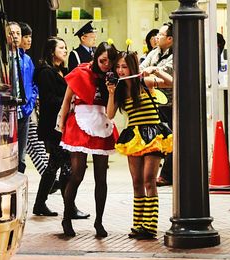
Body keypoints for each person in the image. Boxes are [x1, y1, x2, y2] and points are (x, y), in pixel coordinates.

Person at [106, 50, 173, 240]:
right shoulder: (118, 89)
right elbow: (110, 115)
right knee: (136, 183)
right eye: (118, 67)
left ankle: (150, 227)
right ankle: (138, 225)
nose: (120, 70)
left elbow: (172, 83)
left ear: (132, 67)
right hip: (133, 136)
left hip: (153, 134)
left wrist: (156, 70)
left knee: (148, 179)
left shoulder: (145, 82)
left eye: (124, 66)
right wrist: (111, 93)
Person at [58, 41, 118, 237]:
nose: (106, 65)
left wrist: (112, 89)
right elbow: (67, 100)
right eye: (102, 61)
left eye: (110, 62)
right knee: (77, 174)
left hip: (102, 122)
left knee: (101, 178)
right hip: (80, 122)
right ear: (95, 58)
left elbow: (112, 112)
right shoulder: (81, 72)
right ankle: (67, 217)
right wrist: (62, 124)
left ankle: (99, 222)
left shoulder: (114, 78)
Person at [32, 37, 89, 220]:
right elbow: (49, 100)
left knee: (54, 166)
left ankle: (40, 203)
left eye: (65, 48)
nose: (65, 51)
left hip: (59, 126)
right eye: (61, 48)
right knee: (65, 166)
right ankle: (69, 207)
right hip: (53, 126)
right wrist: (69, 102)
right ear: (51, 51)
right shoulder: (46, 72)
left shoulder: (59, 71)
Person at [140, 22, 174, 187]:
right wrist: (151, 70)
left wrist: (154, 70)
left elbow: (167, 75)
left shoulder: (176, 55)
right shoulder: (154, 52)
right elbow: (142, 68)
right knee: (156, 137)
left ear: (169, 39)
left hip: (171, 103)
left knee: (171, 137)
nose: (156, 37)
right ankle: (155, 172)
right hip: (154, 101)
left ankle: (167, 174)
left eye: (160, 35)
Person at [7, 21, 38, 174]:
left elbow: (33, 84)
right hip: (6, 111)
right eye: (11, 33)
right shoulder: (2, 59)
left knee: (22, 154)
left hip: (24, 111)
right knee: (6, 153)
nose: (15, 36)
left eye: (18, 33)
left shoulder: (26, 59)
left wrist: (30, 103)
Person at [18, 22, 49, 176]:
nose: (29, 40)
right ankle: (47, 175)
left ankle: (47, 175)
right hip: (19, 108)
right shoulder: (14, 58)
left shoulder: (28, 59)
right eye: (26, 36)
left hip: (28, 107)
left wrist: (33, 98)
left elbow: (33, 82)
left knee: (35, 143)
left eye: (30, 36)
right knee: (28, 145)